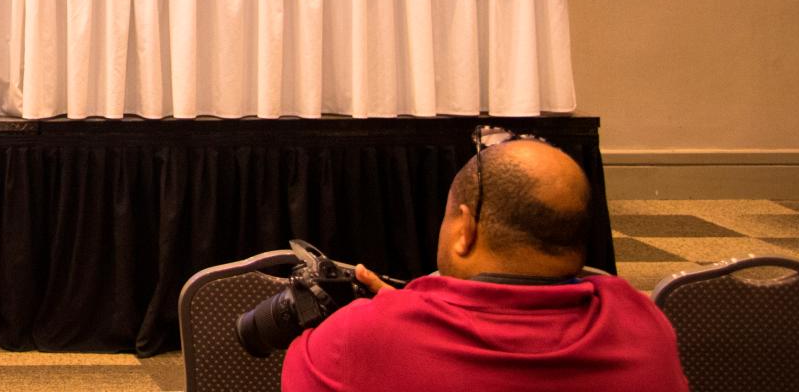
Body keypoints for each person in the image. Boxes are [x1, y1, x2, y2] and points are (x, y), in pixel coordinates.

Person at [282, 133, 689, 391]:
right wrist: (408, 308)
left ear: (465, 229)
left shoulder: (356, 339)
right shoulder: (642, 323)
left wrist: (390, 319)